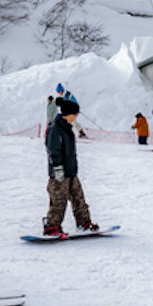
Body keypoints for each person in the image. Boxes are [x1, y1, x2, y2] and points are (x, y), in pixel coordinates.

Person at [42, 97, 98, 237]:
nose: (76, 117)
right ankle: (52, 226)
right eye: (75, 115)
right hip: (59, 172)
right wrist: (58, 168)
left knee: (78, 198)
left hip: (71, 170)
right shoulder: (55, 128)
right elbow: (53, 150)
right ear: (69, 114)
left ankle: (84, 222)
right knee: (59, 200)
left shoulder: (67, 128)